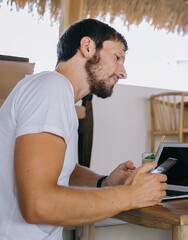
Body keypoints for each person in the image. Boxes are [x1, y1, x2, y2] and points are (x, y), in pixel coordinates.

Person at [0, 19, 167, 240]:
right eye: (117, 57)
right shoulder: (52, 88)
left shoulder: (53, 93)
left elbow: (58, 167)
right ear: (87, 47)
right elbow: (38, 204)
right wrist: (131, 195)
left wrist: (103, 182)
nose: (123, 72)